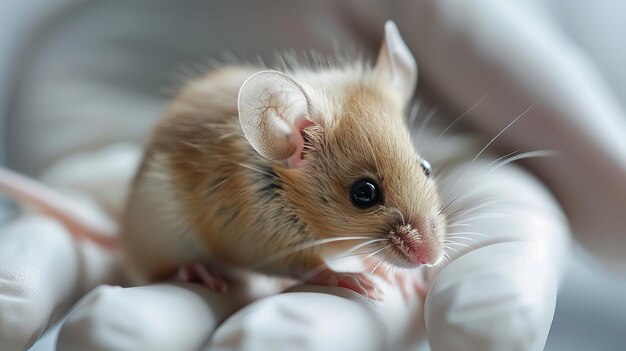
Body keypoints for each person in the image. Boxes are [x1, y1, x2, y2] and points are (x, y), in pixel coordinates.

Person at [1, 0, 623, 350]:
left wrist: (372, 251)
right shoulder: (273, 175)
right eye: (366, 194)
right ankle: (160, 265)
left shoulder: (372, 102)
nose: (424, 238)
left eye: (424, 170)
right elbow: (260, 241)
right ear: (292, 144)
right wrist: (318, 266)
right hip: (174, 208)